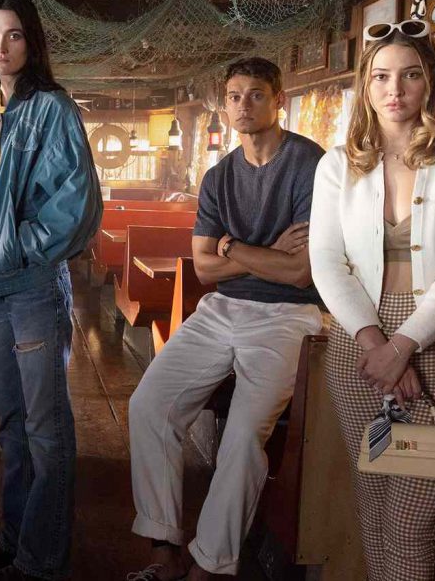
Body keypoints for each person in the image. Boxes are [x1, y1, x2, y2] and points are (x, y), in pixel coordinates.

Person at [309, 20, 435, 580]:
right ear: (366, 86)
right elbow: (327, 261)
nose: (396, 90)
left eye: (410, 75)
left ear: (429, 81)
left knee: (411, 519)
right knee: (373, 501)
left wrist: (403, 346)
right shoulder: (337, 165)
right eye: (382, 76)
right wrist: (376, 343)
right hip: (357, 340)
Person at [127, 57, 325, 581]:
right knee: (148, 406)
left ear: (279, 100)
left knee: (242, 437)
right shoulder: (218, 177)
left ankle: (210, 565)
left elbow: (300, 272)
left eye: (256, 94)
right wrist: (265, 253)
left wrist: (232, 246)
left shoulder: (310, 164)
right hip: (220, 309)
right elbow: (205, 269)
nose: (243, 105)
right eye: (235, 96)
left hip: (289, 316)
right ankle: (163, 551)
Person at [0, 0, 102, 581]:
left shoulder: (53, 109)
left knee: (46, 430)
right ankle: (15, 542)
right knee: (11, 426)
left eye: (12, 35)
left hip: (33, 288)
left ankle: (41, 561)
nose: (1, 47)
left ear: (31, 42)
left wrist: (14, 246)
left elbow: (77, 206)